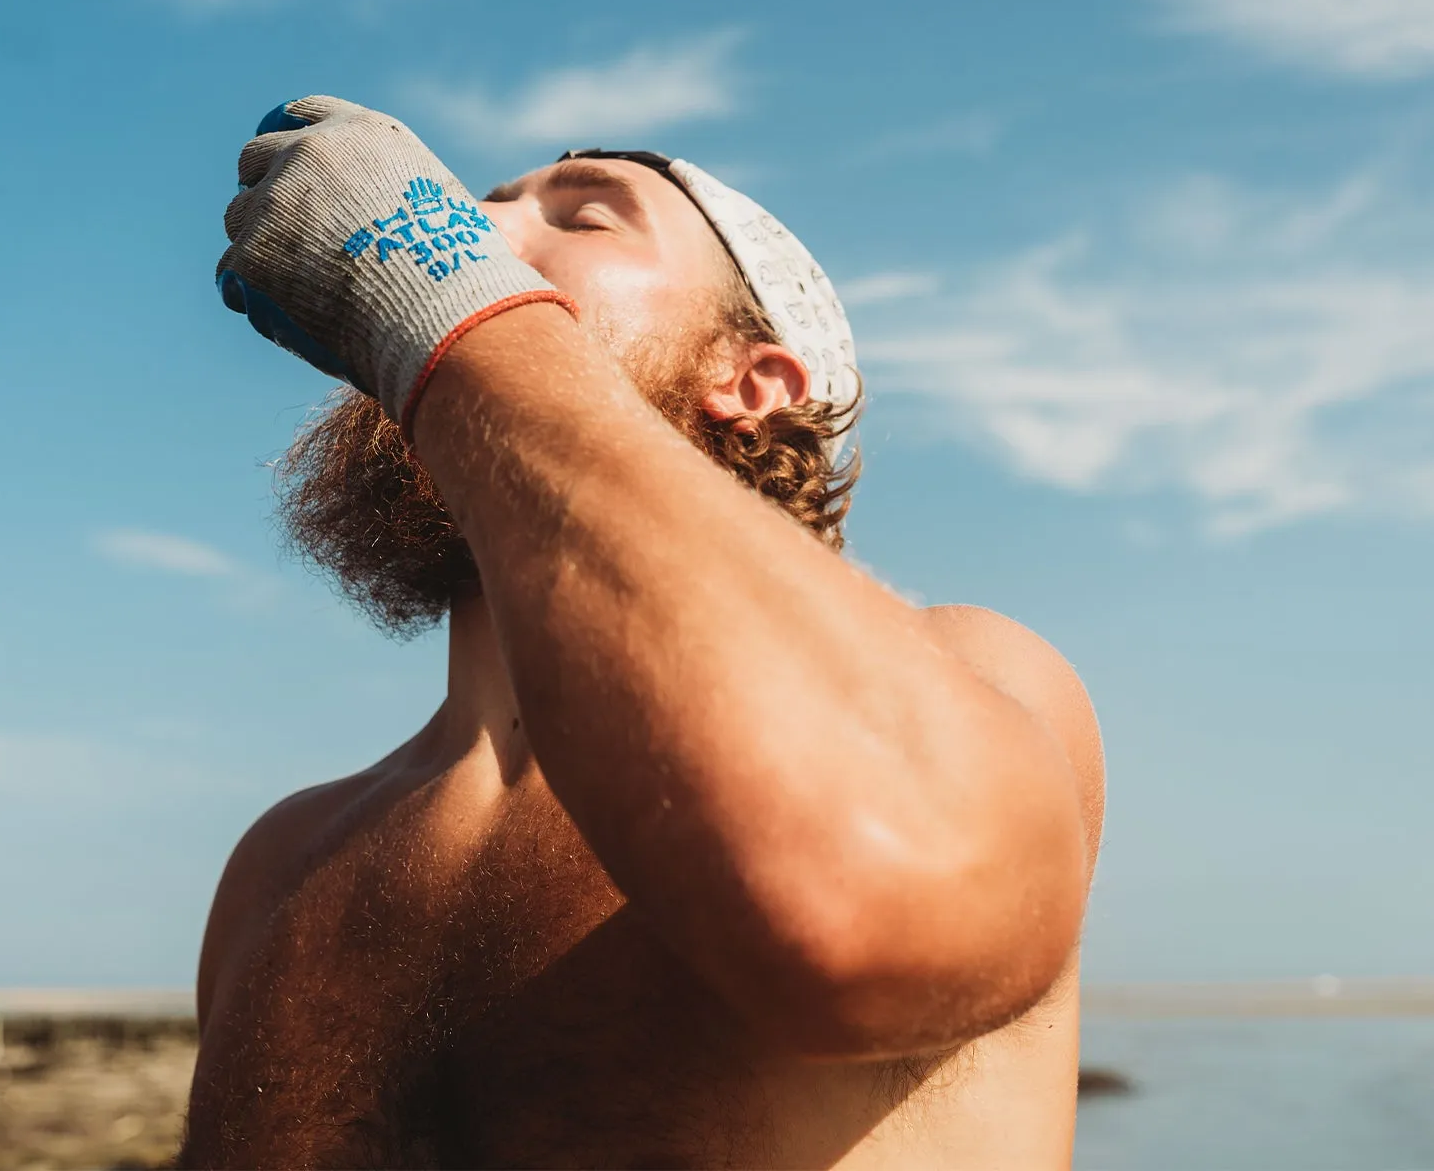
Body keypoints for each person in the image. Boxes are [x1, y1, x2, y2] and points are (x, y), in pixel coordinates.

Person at [179, 96, 1104, 1170]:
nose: (476, 234)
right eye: (469, 211)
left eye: (584, 219)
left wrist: (449, 301)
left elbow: (866, 919)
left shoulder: (966, 674)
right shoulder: (286, 857)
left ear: (754, 382)